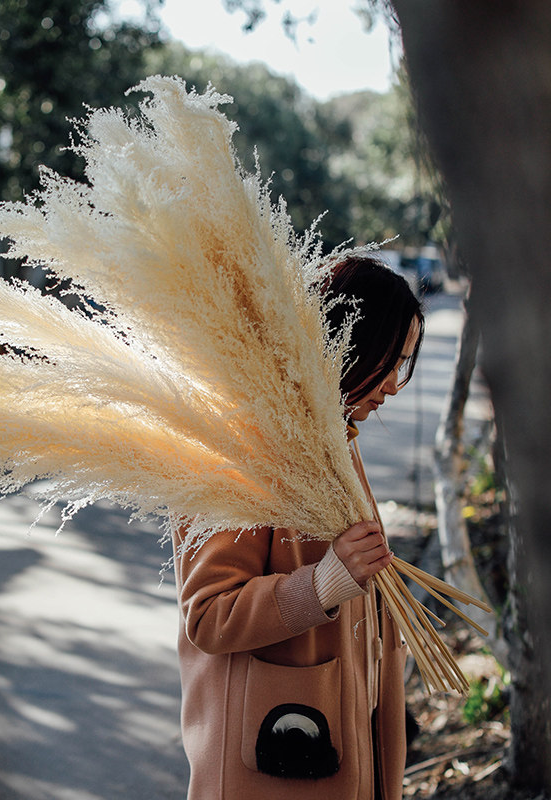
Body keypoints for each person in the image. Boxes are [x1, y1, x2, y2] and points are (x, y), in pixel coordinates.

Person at [172, 255, 425, 800]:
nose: (397, 387)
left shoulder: (335, 435)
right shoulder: (239, 444)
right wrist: (325, 584)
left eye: (406, 365)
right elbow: (210, 614)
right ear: (347, 340)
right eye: (392, 361)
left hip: (336, 750)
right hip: (269, 771)